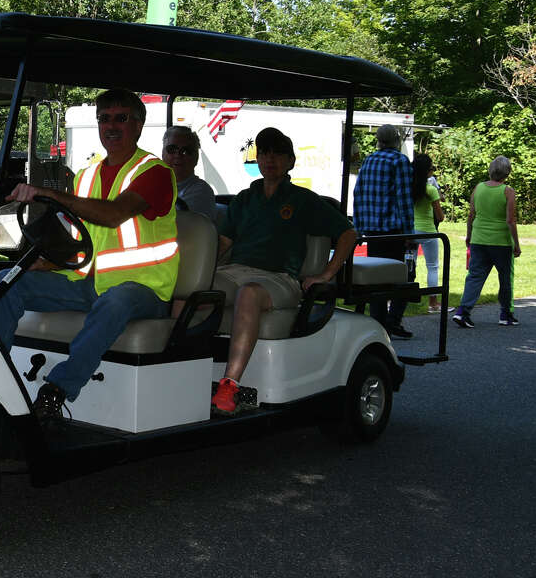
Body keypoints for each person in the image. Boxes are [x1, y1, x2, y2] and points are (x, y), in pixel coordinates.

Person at [0, 89, 178, 423]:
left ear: (139, 125)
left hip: (144, 288)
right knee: (7, 280)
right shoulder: (86, 175)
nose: (111, 126)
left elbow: (114, 214)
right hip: (87, 282)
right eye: (104, 119)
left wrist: (46, 192)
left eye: (121, 118)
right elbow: (77, 240)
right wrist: (39, 263)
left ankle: (57, 390)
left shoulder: (154, 172)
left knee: (114, 302)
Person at [210, 127, 357, 414]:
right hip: (236, 270)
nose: (269, 158)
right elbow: (224, 242)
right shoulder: (244, 198)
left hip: (279, 279)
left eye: (277, 153)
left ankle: (229, 386)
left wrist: (325, 275)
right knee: (192, 288)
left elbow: (348, 233)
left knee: (248, 294)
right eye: (264, 152)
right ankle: (176, 368)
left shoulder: (302, 199)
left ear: (290, 161)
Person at [353, 124, 415, 339]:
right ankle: (393, 321)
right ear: (397, 139)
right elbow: (404, 199)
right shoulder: (399, 161)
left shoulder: (369, 160)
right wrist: (409, 232)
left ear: (378, 139)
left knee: (376, 279)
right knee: (401, 277)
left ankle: (378, 324)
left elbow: (358, 193)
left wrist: (359, 227)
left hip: (371, 230)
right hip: (392, 230)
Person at [452, 156, 522, 328]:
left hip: (479, 239)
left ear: (491, 170)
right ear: (507, 172)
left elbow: (471, 215)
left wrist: (469, 235)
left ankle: (463, 311)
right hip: (501, 242)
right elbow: (510, 220)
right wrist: (517, 244)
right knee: (505, 278)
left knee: (474, 277)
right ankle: (505, 314)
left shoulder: (479, 188)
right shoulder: (508, 191)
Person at [162, 126, 217, 222]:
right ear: (163, 154)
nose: (178, 155)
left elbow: (174, 223)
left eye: (186, 151)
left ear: (196, 158)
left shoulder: (201, 192)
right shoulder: (151, 184)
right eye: (172, 149)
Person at [412, 153, 445, 312]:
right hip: (428, 231)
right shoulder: (431, 189)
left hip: (411, 231)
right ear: (427, 171)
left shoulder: (408, 187)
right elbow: (440, 216)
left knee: (408, 265)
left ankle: (397, 300)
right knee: (432, 266)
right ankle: (433, 303)